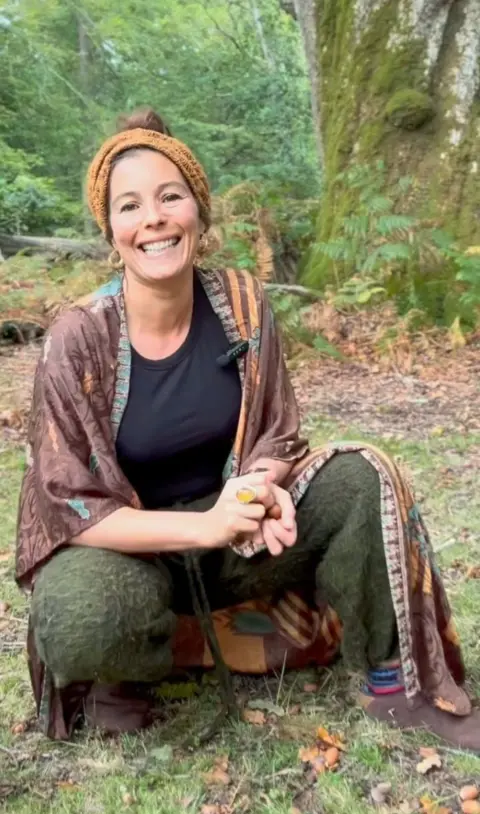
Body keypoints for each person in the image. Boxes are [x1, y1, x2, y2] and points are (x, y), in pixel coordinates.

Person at [15, 108, 480, 748]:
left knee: (362, 475)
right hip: (127, 551)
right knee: (81, 615)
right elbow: (70, 505)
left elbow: (276, 430)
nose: (152, 217)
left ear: (199, 216)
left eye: (170, 197)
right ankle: (126, 671)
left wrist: (260, 490)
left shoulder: (241, 302)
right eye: (130, 206)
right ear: (111, 230)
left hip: (232, 539)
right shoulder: (80, 337)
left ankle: (392, 680)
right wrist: (204, 524)